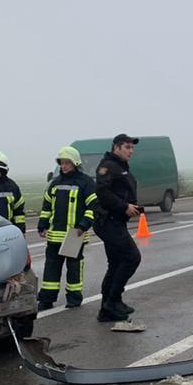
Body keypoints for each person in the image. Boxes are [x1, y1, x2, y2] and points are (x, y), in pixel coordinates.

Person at [36, 146, 97, 310]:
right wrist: (42, 224)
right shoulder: (54, 184)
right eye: (61, 163)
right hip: (55, 235)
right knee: (51, 268)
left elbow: (94, 207)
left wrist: (83, 225)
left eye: (67, 163)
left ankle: (74, 298)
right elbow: (47, 207)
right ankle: (46, 299)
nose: (63, 166)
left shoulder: (86, 183)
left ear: (75, 163)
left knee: (74, 268)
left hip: (74, 235)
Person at [93, 134, 144, 323]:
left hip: (116, 221)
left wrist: (131, 206)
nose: (131, 151)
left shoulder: (120, 167)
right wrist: (124, 207)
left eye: (132, 148)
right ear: (116, 147)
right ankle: (112, 301)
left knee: (115, 263)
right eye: (127, 147)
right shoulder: (108, 166)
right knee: (132, 257)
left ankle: (107, 309)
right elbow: (102, 192)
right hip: (108, 221)